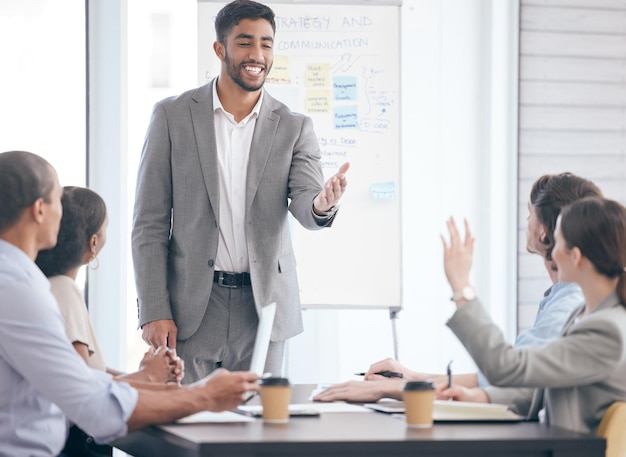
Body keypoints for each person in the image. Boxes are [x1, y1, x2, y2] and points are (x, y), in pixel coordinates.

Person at [132, 0, 349, 383]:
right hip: (193, 307)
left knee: (257, 435)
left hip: (263, 308)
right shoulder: (172, 116)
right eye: (245, 43)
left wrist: (321, 204)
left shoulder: (294, 127)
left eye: (266, 44)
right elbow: (148, 225)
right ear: (220, 49)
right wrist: (153, 308)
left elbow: (305, 203)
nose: (258, 55)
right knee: (190, 426)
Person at [0, 150, 259, 456]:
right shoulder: (18, 291)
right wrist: (203, 395)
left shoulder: (21, 282)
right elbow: (92, 405)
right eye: (57, 199)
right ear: (39, 210)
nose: (62, 212)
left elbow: (81, 380)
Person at [314, 172, 602, 404]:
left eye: (530, 214)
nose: (526, 222)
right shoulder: (563, 295)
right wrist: (413, 379)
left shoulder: (572, 300)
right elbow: (502, 376)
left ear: (545, 233)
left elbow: (512, 375)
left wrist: (461, 286)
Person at [438, 197, 626, 434]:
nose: (552, 254)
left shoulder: (608, 330)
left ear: (576, 256)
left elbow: (505, 366)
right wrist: (482, 396)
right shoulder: (586, 314)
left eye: (557, 243)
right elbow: (548, 386)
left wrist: (462, 287)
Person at [36, 186, 184, 391]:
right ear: (93, 243)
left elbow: (90, 373)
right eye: (106, 227)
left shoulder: (48, 286)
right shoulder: (64, 290)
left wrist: (149, 376)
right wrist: (148, 377)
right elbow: (83, 388)